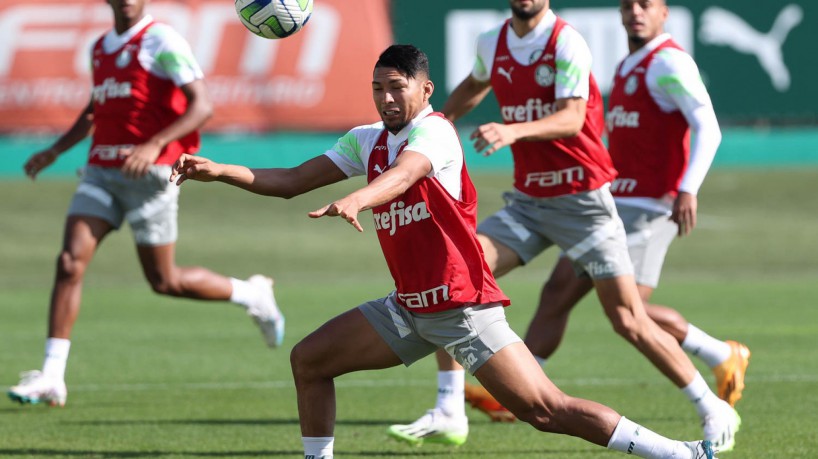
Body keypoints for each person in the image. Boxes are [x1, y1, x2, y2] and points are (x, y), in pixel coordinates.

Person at [170, 43, 716, 459]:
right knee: (308, 361)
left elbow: (408, 175)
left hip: (461, 309)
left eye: (397, 87)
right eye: (378, 87)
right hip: (408, 308)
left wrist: (358, 198)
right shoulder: (366, 139)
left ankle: (681, 454)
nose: (386, 97)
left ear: (425, 91)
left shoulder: (436, 134)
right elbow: (290, 179)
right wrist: (221, 171)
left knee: (546, 412)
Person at [386, 0, 739, 453]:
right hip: (530, 202)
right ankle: (450, 410)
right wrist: (433, 126)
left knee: (629, 319)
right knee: (453, 273)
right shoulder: (491, 43)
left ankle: (712, 406)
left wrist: (512, 131)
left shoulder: (567, 41)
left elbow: (573, 118)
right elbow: (474, 86)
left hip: (583, 204)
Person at [7, 0, 284, 408]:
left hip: (151, 177)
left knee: (164, 281)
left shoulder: (162, 40)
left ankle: (251, 294)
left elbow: (202, 105)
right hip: (102, 171)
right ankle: (52, 376)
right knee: (69, 262)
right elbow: (95, 108)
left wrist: (154, 144)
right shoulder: (101, 46)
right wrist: (55, 150)